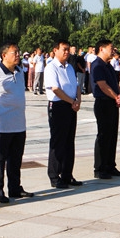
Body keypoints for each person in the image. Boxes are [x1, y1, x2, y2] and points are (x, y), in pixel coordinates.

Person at [0, 43, 34, 204]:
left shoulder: (19, 71)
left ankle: (15, 188)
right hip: (1, 126)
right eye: (14, 53)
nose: (18, 55)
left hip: (19, 124)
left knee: (15, 159)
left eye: (18, 52)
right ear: (4, 55)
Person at [45, 40, 82, 189]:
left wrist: (78, 100)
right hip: (59, 106)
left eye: (68, 50)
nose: (67, 52)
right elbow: (55, 89)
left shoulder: (70, 67)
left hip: (71, 106)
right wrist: (72, 101)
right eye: (64, 49)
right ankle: (54, 176)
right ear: (55, 50)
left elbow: (77, 85)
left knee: (69, 141)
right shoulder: (51, 67)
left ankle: (67, 174)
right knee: (58, 141)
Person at [92, 39, 120, 179]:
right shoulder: (97, 65)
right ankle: (100, 168)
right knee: (104, 135)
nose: (113, 50)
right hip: (103, 103)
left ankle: (110, 165)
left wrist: (119, 94)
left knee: (112, 135)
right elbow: (102, 85)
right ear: (101, 49)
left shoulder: (108, 65)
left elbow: (115, 83)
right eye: (111, 48)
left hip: (112, 102)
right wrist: (115, 96)